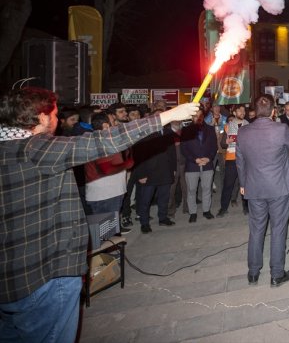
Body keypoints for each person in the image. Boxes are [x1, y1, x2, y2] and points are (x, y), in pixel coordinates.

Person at [0, 87, 197, 342]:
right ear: (40, 118)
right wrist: (165, 116)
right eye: (55, 115)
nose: (58, 121)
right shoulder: (35, 149)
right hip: (43, 276)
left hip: (9, 281)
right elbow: (103, 142)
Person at [236, 94, 289, 288]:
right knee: (278, 230)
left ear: (254, 111)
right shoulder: (281, 129)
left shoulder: (243, 132)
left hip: (254, 187)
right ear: (274, 111)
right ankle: (276, 275)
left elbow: (240, 161)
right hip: (279, 188)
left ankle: (253, 273)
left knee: (256, 230)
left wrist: (242, 183)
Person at [131, 108, 178, 233]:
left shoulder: (167, 131)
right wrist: (141, 174)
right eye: (157, 116)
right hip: (148, 173)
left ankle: (163, 218)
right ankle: (144, 223)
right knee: (145, 199)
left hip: (165, 171)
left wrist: (173, 169)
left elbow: (172, 152)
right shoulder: (144, 132)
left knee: (164, 197)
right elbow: (138, 155)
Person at [181, 108, 219, 222]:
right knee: (191, 190)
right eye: (195, 115)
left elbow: (214, 146)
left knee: (207, 189)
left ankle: (206, 211)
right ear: (192, 117)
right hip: (192, 165)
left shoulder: (210, 129)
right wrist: (195, 159)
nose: (198, 117)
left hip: (207, 164)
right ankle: (193, 213)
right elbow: (184, 149)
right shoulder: (186, 130)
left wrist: (209, 158)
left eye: (200, 115)